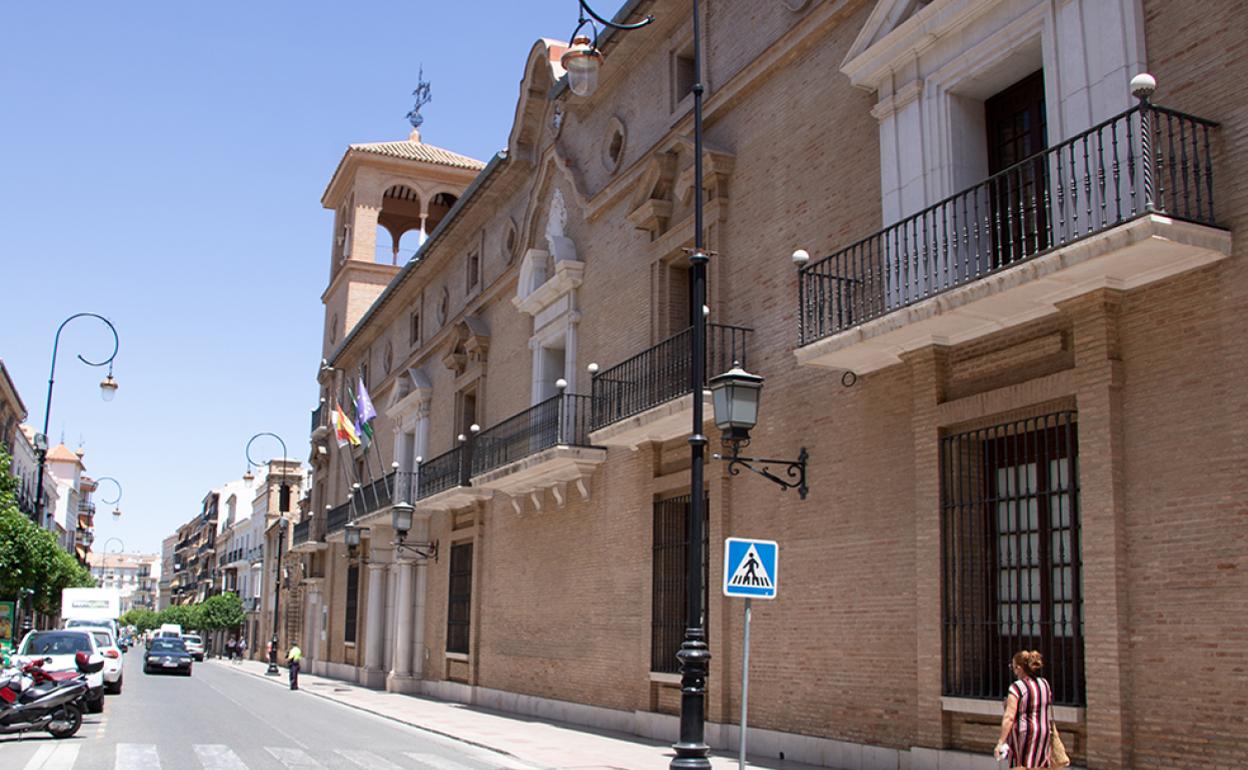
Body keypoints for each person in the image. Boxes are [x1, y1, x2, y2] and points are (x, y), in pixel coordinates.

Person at [995, 650, 1054, 769]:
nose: (1014, 672)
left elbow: (1009, 717)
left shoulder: (1017, 687)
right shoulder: (1044, 684)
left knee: (1021, 766)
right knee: (1039, 766)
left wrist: (1001, 741)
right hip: (1043, 731)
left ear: (1020, 668)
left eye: (1014, 667)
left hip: (1024, 733)